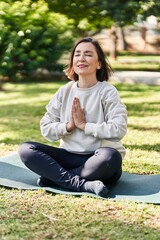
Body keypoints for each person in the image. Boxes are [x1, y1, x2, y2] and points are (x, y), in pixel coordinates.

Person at [18, 37, 127, 197]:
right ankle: (82, 184)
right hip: (68, 157)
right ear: (72, 61)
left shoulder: (107, 92)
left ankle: (56, 178)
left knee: (111, 157)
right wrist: (68, 126)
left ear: (99, 63)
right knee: (26, 150)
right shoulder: (64, 91)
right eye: (77, 54)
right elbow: (46, 128)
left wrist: (84, 126)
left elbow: (119, 129)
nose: (81, 58)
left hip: (98, 159)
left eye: (88, 54)